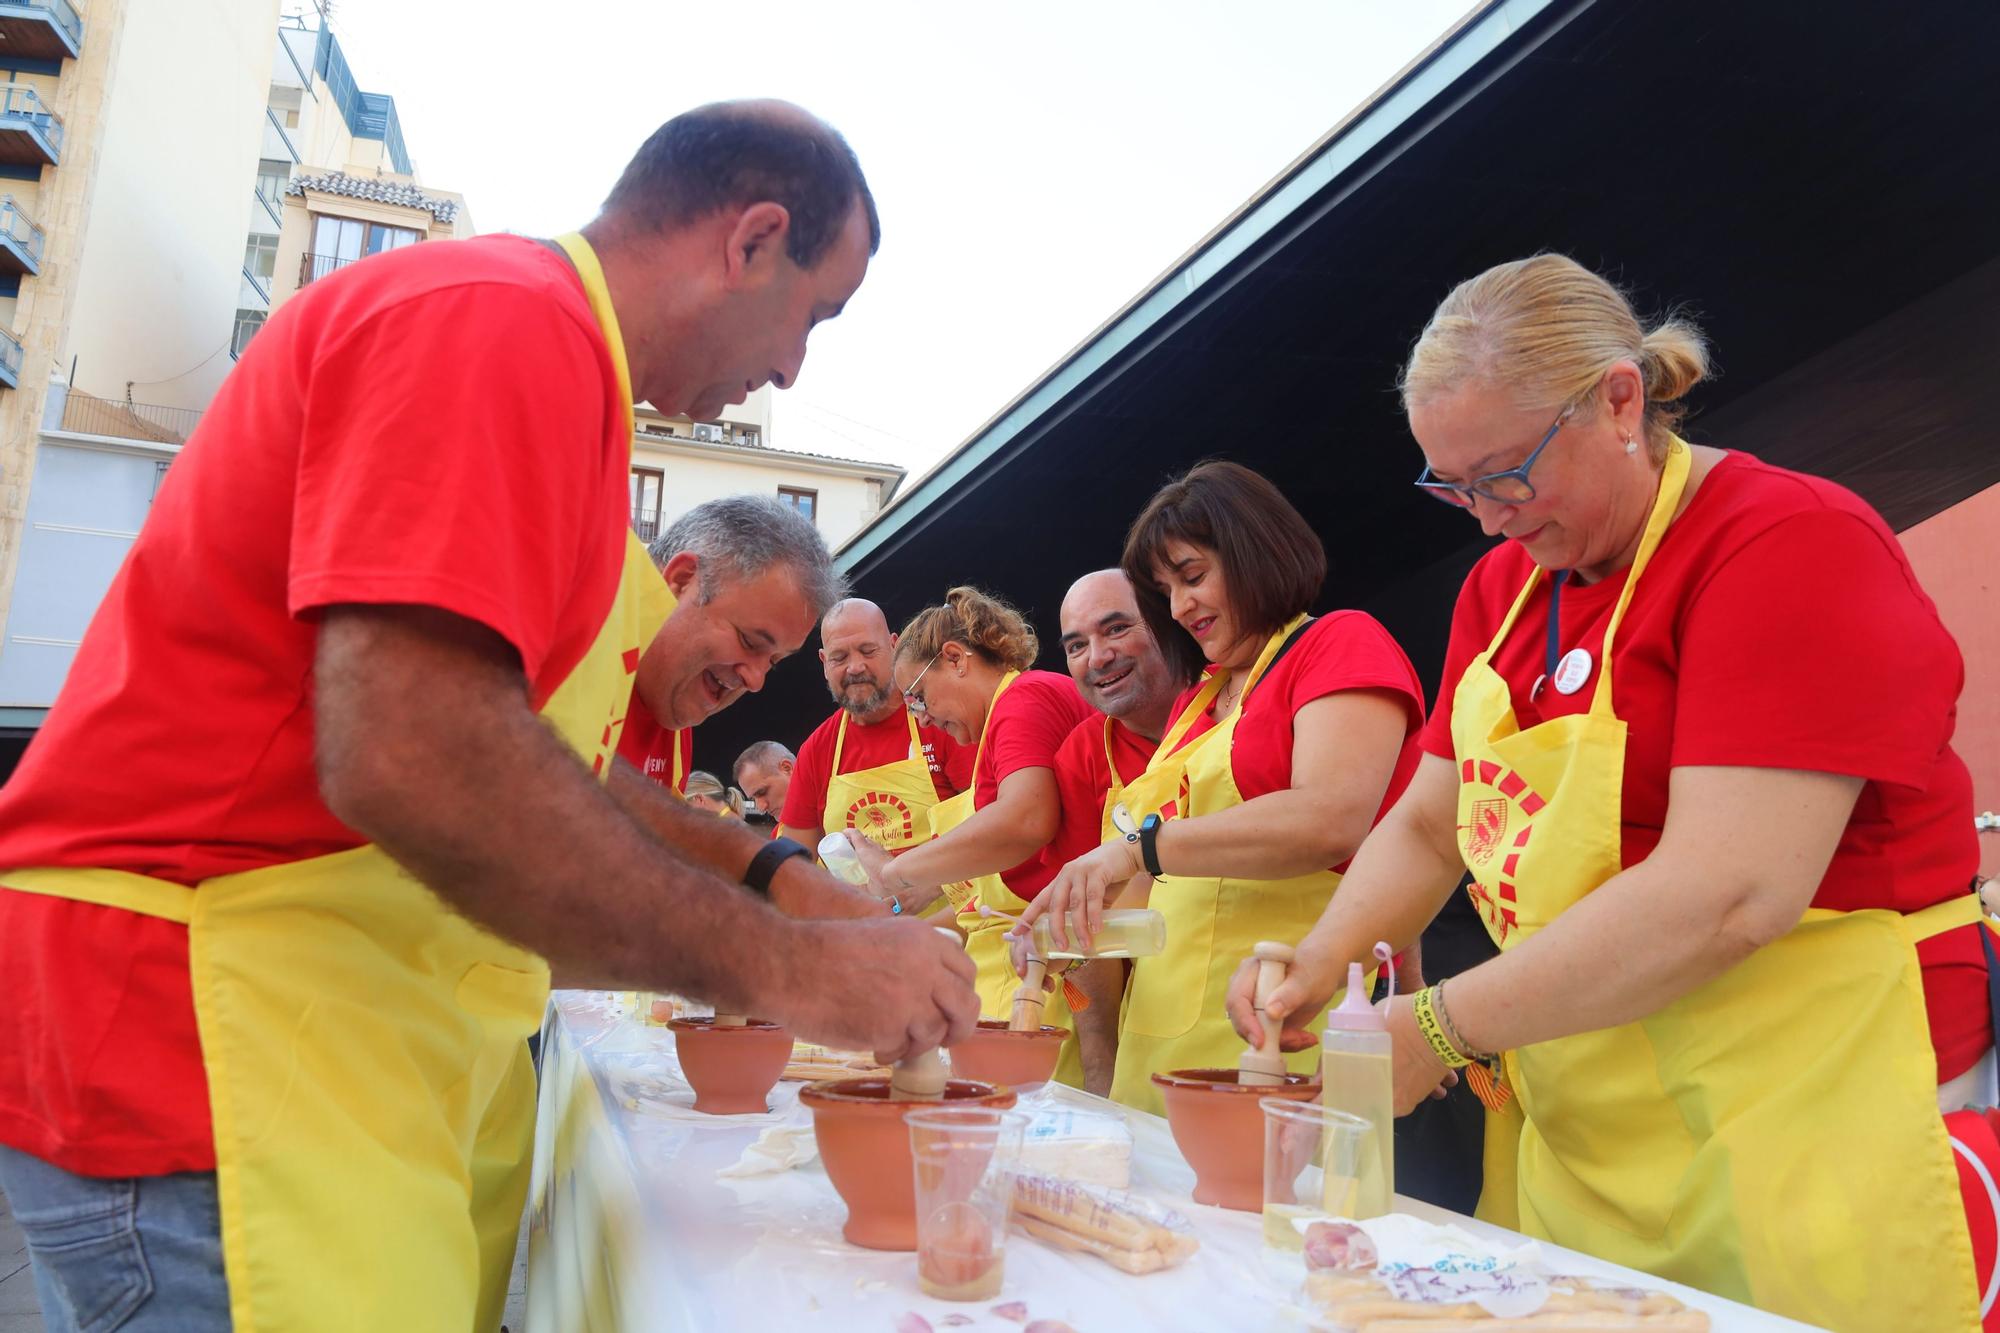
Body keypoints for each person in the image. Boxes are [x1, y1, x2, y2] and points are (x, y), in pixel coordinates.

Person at [0, 100, 979, 1332]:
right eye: (812, 317)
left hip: (305, 1040)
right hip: (204, 1032)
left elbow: (542, 762)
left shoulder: (563, 381)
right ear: (753, 239)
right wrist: (796, 974)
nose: (791, 369)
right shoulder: (500, 321)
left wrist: (774, 870)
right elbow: (416, 754)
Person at [1225, 254, 1999, 1330]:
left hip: (1816, 1113)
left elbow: (1728, 894)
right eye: (1450, 486)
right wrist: (1318, 963)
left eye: (1504, 473)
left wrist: (1438, 1028)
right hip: (1594, 1118)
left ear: (1619, 399)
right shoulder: (1501, 590)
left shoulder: (1783, 542)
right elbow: (1426, 820)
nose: (1484, 518)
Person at [1021, 461, 1426, 1117]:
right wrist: (1066, 928)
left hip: (1275, 1031)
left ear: (1254, 551)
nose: (1180, 606)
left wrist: (1133, 849)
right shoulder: (1198, 702)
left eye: (1193, 575)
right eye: (1166, 589)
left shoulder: (1339, 642)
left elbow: (1331, 818)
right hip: (1154, 1048)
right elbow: (1153, 894)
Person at [851, 588, 1095, 1069]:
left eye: (918, 697)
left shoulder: (1024, 698)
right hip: (1029, 958)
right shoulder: (1000, 725)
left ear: (956, 658)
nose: (921, 718)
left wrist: (898, 873)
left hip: (1049, 964)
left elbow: (1025, 820)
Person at [1029, 569, 1193, 1094]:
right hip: (1153, 1020)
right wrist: (1101, 1069)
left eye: (1117, 629)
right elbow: (1084, 922)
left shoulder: (1232, 708)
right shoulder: (1081, 753)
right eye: (1077, 645)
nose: (1097, 658)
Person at [619, 495, 832, 793]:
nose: (756, 681)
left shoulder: (675, 709)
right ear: (681, 581)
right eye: (749, 641)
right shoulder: (573, 657)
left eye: (773, 661)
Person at [777, 597, 967, 854]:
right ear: (823, 663)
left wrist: (924, 886)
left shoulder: (941, 720)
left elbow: (995, 822)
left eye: (868, 651)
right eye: (839, 657)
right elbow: (794, 866)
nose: (855, 667)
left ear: (894, 647)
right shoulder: (816, 751)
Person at [733, 740, 796, 826]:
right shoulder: (779, 835)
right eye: (753, 799)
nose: (761, 808)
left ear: (787, 768)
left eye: (762, 792)